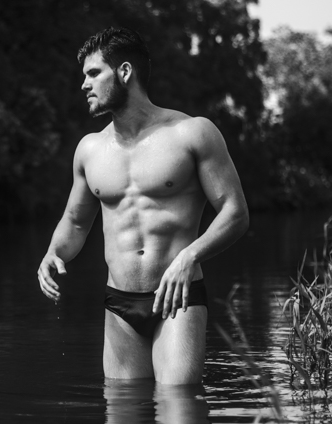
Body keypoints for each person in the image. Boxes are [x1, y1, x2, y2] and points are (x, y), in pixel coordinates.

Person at [37, 26, 249, 385]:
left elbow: (236, 212)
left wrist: (190, 256)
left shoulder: (192, 133)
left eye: (93, 73)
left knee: (178, 403)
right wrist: (53, 253)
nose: (84, 85)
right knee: (122, 407)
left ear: (124, 72)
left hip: (178, 298)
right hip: (118, 304)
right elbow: (75, 222)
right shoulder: (89, 150)